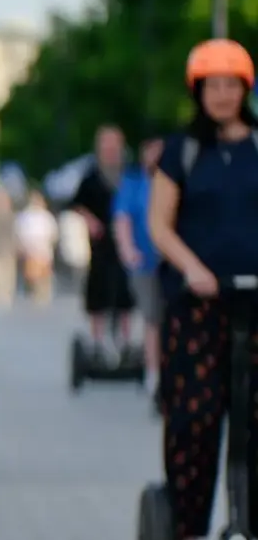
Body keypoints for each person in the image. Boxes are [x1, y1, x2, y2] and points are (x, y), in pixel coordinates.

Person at [148, 39, 258, 540]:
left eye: (229, 85)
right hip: (197, 307)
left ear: (245, 89)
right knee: (195, 417)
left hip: (254, 303)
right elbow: (159, 224)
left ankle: (249, 525)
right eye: (211, 86)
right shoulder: (183, 151)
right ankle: (187, 531)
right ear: (198, 92)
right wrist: (193, 269)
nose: (221, 94)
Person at [70, 126, 136, 355]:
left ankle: (125, 341)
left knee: (125, 293)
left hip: (126, 244)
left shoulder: (129, 175)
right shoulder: (91, 176)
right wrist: (90, 220)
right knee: (98, 291)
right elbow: (76, 203)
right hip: (100, 245)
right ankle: (97, 340)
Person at [113, 135, 165, 394]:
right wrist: (128, 250)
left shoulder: (173, 181)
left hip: (173, 264)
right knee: (153, 318)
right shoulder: (134, 183)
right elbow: (122, 218)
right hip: (145, 262)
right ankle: (153, 371)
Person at [15, 191, 58, 305]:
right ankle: (32, 293)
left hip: (43, 249)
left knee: (44, 274)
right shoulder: (26, 216)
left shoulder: (46, 216)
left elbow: (53, 233)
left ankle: (43, 295)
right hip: (31, 249)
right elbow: (20, 232)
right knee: (31, 274)